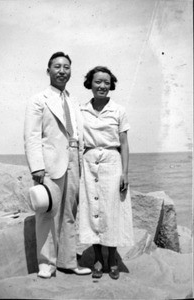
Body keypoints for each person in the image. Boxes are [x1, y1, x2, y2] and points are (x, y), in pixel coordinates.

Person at [24, 52, 91, 278]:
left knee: (70, 212)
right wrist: (36, 167)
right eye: (57, 67)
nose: (62, 71)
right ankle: (46, 264)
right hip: (50, 162)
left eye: (66, 67)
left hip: (74, 159)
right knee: (47, 211)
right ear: (48, 70)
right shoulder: (38, 99)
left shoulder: (73, 101)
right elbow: (32, 136)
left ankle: (68, 261)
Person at [78, 66, 134, 280]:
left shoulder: (119, 110)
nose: (102, 86)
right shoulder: (81, 110)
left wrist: (125, 172)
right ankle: (98, 258)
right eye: (98, 81)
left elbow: (124, 144)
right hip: (89, 162)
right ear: (90, 84)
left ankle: (112, 259)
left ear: (111, 85)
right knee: (93, 209)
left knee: (112, 210)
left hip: (112, 162)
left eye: (106, 82)